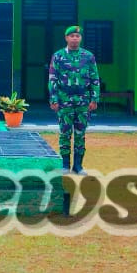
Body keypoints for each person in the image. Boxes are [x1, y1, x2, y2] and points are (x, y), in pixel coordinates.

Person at [48, 25, 100, 174]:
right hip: (64, 100)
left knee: (80, 133)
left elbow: (94, 78)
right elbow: (52, 78)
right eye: (72, 36)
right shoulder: (58, 56)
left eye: (77, 36)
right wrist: (53, 99)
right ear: (66, 38)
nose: (75, 38)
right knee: (64, 132)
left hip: (83, 100)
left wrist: (94, 98)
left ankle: (78, 166)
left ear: (81, 38)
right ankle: (65, 165)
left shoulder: (88, 56)